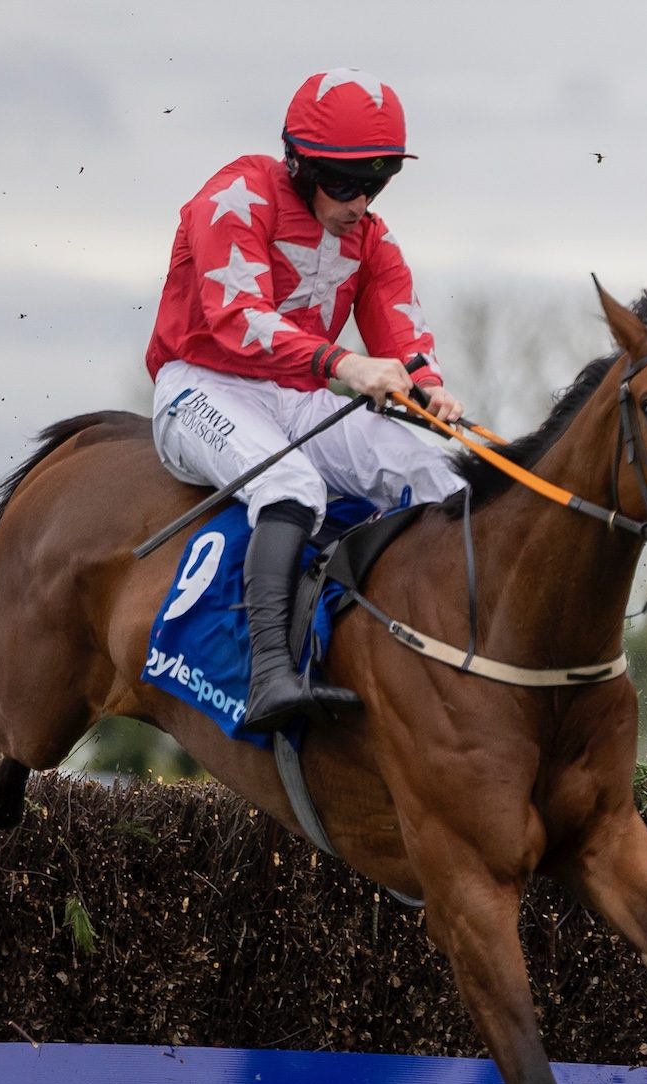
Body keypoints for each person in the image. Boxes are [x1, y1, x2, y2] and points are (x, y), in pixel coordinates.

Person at [145, 68, 467, 730]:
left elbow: (402, 329)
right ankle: (269, 675)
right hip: (200, 383)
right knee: (291, 482)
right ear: (297, 163)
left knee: (438, 472)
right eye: (344, 183)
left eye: (375, 184)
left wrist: (426, 385)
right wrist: (347, 364)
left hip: (295, 394)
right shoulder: (237, 195)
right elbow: (240, 318)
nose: (359, 202)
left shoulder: (371, 239)